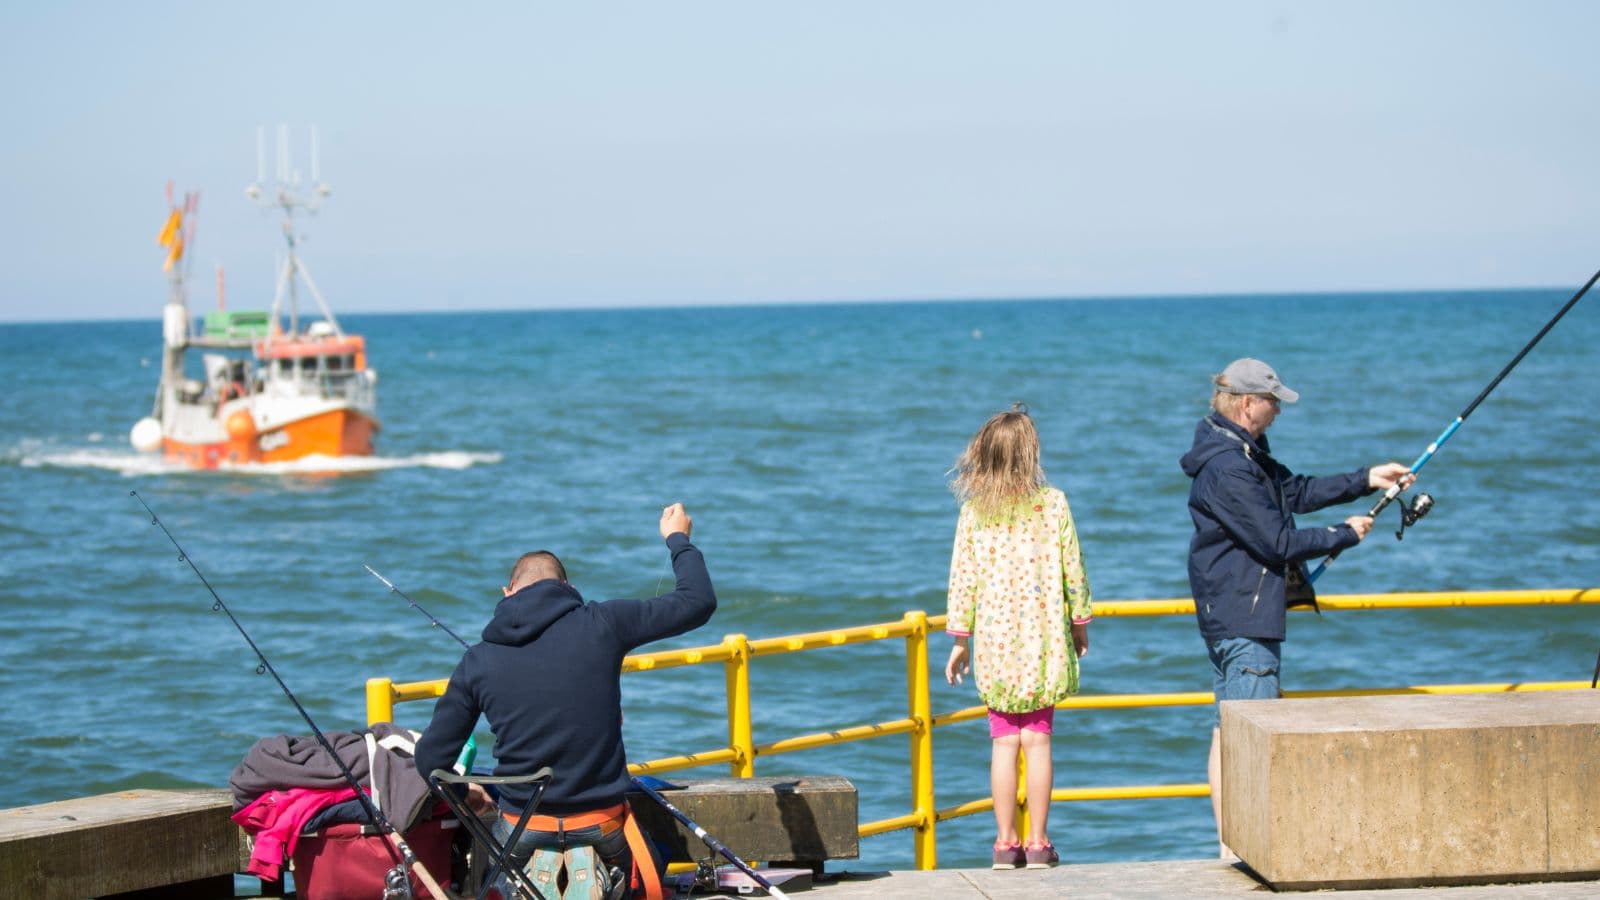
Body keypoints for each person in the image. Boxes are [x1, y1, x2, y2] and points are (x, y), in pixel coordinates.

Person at [414, 503, 715, 899]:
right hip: (602, 824)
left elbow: (430, 760)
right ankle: (601, 876)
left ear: (508, 593)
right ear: (569, 588)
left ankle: (527, 881)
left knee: (489, 861)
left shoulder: (479, 660)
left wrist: (465, 794)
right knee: (655, 860)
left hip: (523, 826)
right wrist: (678, 538)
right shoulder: (603, 623)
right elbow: (698, 601)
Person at [1179, 359, 1413, 858]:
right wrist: (1341, 535)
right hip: (1245, 619)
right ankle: (1244, 847)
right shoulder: (1230, 467)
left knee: (1230, 730)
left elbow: (1296, 492)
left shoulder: (1240, 453)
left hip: (1231, 614)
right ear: (1248, 403)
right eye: (1273, 402)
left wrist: (1367, 479)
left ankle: (1231, 843)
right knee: (1253, 735)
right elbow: (1278, 542)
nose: (1278, 411)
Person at [943, 405, 1091, 871]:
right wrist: (1079, 624)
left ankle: (1005, 844)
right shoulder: (1054, 504)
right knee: (1038, 741)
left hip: (996, 645)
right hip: (1043, 642)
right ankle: (1039, 842)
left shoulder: (974, 512)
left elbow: (962, 580)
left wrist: (960, 641)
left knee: (1004, 743)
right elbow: (1074, 572)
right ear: (1030, 455)